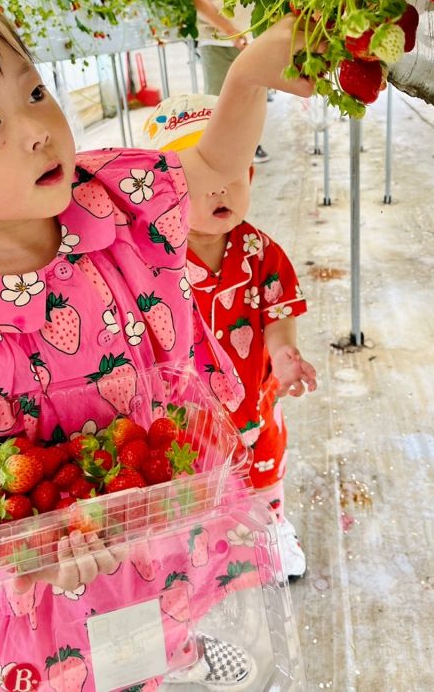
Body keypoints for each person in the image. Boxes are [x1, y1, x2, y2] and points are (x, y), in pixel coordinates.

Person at [0, 0, 315, 691]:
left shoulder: (113, 198)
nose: (36, 128)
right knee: (91, 670)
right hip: (57, 586)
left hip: (159, 524)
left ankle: (178, 655)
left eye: (33, 90)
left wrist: (245, 77)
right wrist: (36, 548)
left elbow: (214, 171)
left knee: (165, 619)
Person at [145, 94, 317, 580]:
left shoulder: (261, 252)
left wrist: (284, 354)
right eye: (201, 182)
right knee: (195, 481)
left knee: (265, 469)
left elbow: (278, 312)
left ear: (251, 176)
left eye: (232, 175)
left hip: (255, 400)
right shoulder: (156, 262)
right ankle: (203, 543)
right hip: (188, 412)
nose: (219, 190)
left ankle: (273, 529)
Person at [187, 0, 270, 164]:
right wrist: (231, 31)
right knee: (218, 99)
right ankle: (218, 154)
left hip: (251, 38)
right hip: (216, 40)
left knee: (253, 97)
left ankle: (251, 146)